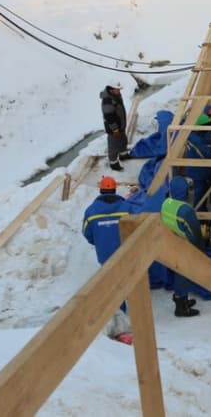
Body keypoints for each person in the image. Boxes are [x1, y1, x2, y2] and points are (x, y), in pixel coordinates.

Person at [82, 176, 132, 313]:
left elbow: (87, 234)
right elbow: (136, 227)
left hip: (105, 254)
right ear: (115, 190)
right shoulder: (127, 207)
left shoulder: (90, 211)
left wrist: (99, 241)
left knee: (113, 283)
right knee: (129, 276)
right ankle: (135, 301)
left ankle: (120, 310)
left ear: (101, 191)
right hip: (126, 251)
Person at [160, 176, 204, 317]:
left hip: (172, 242)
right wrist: (201, 251)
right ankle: (181, 306)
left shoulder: (166, 203)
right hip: (185, 245)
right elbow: (195, 233)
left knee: (178, 272)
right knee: (184, 275)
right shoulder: (186, 211)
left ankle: (181, 298)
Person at [101, 80, 131, 171]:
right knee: (113, 145)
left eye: (119, 89)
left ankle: (123, 155)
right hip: (113, 128)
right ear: (111, 89)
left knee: (122, 140)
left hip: (120, 125)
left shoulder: (116, 95)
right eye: (117, 89)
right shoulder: (107, 101)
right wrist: (115, 129)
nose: (119, 91)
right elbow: (109, 117)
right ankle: (113, 163)